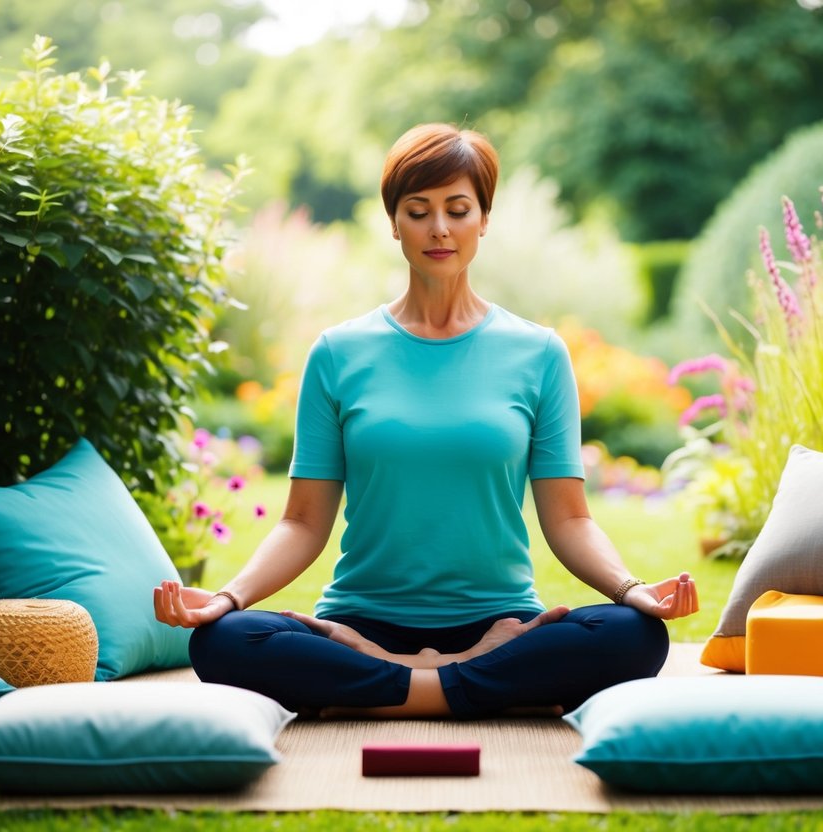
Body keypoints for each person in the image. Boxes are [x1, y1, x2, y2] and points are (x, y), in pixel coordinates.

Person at [153, 122, 699, 719]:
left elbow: (568, 518)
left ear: (484, 219)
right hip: (360, 624)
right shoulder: (338, 352)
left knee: (634, 634)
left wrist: (630, 590)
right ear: (394, 223)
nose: (439, 228)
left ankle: (391, 687)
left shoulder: (538, 353)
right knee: (223, 641)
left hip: (501, 623)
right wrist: (228, 599)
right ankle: (458, 685)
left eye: (457, 209)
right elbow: (303, 521)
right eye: (418, 211)